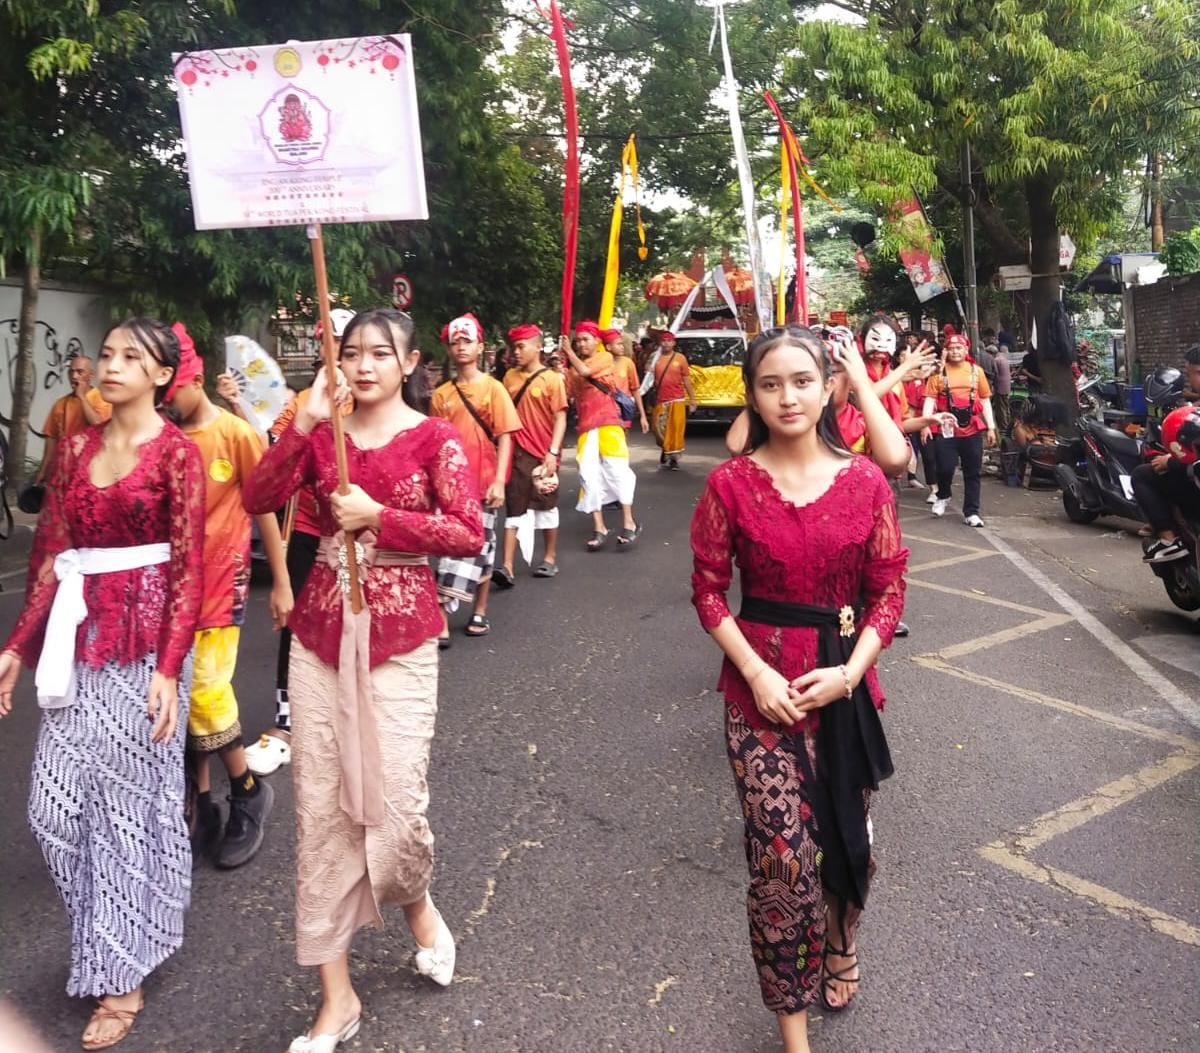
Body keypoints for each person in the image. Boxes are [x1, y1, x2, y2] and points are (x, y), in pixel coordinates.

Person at [244, 308, 482, 1053]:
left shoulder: (437, 438)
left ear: (410, 363)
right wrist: (302, 421)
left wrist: (381, 517)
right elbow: (258, 498)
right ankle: (336, 996)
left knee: (398, 804)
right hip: (320, 632)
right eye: (353, 354)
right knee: (322, 810)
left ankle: (413, 899)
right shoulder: (320, 437)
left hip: (404, 633)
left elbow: (468, 530)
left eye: (383, 353)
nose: (366, 364)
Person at [690, 324, 907, 1053]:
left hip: (846, 686)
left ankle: (842, 942)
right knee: (782, 860)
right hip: (762, 695)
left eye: (802, 380)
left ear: (829, 387)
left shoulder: (867, 481)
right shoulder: (729, 484)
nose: (788, 396)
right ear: (752, 393)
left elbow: (888, 591)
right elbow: (710, 592)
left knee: (851, 845)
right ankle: (793, 1033)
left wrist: (850, 672)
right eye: (771, 383)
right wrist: (756, 672)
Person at [0, 319, 204, 1050]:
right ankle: (121, 920)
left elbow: (189, 570)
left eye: (130, 357)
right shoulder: (74, 447)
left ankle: (122, 973)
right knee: (51, 810)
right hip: (78, 644)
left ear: (161, 375)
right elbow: (52, 555)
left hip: (145, 649)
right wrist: (17, 645)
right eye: (108, 353)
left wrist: (170, 669)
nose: (110, 365)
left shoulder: (178, 454)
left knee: (125, 811)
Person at [166, 327, 291, 867]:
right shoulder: (162, 439)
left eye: (169, 388)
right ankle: (200, 803)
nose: (162, 400)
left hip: (224, 583)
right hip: (171, 594)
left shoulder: (237, 435)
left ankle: (246, 791)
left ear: (194, 378)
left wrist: (282, 582)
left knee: (207, 693)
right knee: (183, 693)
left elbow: (264, 508)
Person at [430, 313, 521, 638]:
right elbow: (435, 444)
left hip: (483, 483)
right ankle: (440, 615)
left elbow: (507, 436)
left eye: (466, 340)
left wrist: (499, 480)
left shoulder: (494, 389)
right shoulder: (441, 395)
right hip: (448, 487)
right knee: (446, 551)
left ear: (480, 346)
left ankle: (479, 611)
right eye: (455, 342)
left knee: (482, 548)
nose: (460, 347)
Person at [494, 323, 568, 584]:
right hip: (516, 454)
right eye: (514, 347)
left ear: (538, 347)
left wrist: (552, 452)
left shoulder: (552, 379)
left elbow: (560, 418)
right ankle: (506, 566)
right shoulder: (509, 378)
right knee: (514, 507)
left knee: (546, 506)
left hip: (543, 454)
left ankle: (549, 558)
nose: (516, 352)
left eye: (521, 346)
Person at [562, 320, 640, 549]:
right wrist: (560, 373)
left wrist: (568, 352)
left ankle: (629, 522)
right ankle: (599, 527)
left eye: (585, 339)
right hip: (586, 427)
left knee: (617, 471)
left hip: (608, 423)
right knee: (588, 476)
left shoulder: (604, 358)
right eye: (577, 341)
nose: (581, 344)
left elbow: (586, 371)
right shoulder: (573, 368)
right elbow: (570, 394)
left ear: (597, 341)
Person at [923, 333, 998, 526]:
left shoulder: (976, 371)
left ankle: (971, 512)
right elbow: (930, 399)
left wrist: (991, 427)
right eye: (952, 348)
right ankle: (943, 495)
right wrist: (925, 424)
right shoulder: (937, 373)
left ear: (966, 350)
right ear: (946, 351)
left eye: (959, 348)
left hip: (972, 427)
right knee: (945, 466)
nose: (956, 352)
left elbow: (985, 399)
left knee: (973, 471)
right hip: (946, 426)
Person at [35, 354, 111, 485]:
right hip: (63, 471)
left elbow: (99, 425)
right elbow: (51, 441)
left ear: (91, 375)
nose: (74, 376)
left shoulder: (102, 399)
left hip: (90, 471)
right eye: (71, 371)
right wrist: (43, 470)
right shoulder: (60, 404)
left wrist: (81, 397)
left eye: (80, 372)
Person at [650, 330, 698, 470]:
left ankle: (674, 459)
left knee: (675, 430)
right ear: (660, 343)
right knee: (659, 430)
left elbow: (686, 380)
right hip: (660, 400)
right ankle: (665, 449)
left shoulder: (680, 358)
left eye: (669, 341)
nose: (666, 343)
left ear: (674, 343)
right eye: (664, 341)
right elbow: (648, 379)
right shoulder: (654, 358)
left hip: (677, 399)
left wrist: (692, 399)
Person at [604, 327, 651, 436]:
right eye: (618, 344)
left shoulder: (628, 363)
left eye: (622, 344)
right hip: (606, 410)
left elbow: (635, 389)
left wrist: (643, 416)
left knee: (621, 441)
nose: (622, 347)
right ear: (608, 347)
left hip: (624, 408)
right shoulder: (601, 363)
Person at [982, 328, 1013, 435]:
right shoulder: (1003, 358)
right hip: (1007, 386)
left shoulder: (996, 360)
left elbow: (994, 373)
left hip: (1000, 387)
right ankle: (1008, 424)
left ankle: (1004, 428)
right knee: (1006, 406)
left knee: (1001, 409)